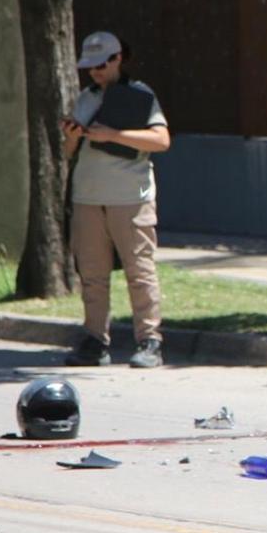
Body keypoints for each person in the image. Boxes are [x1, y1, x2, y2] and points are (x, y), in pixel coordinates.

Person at [61, 31, 171, 368]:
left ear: (118, 59)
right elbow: (68, 153)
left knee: (140, 270)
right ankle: (95, 340)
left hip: (132, 195)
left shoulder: (139, 96)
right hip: (88, 196)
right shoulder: (85, 98)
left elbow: (162, 140)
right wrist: (71, 138)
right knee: (92, 273)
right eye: (89, 65)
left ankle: (150, 341)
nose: (94, 71)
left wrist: (114, 135)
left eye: (100, 64)